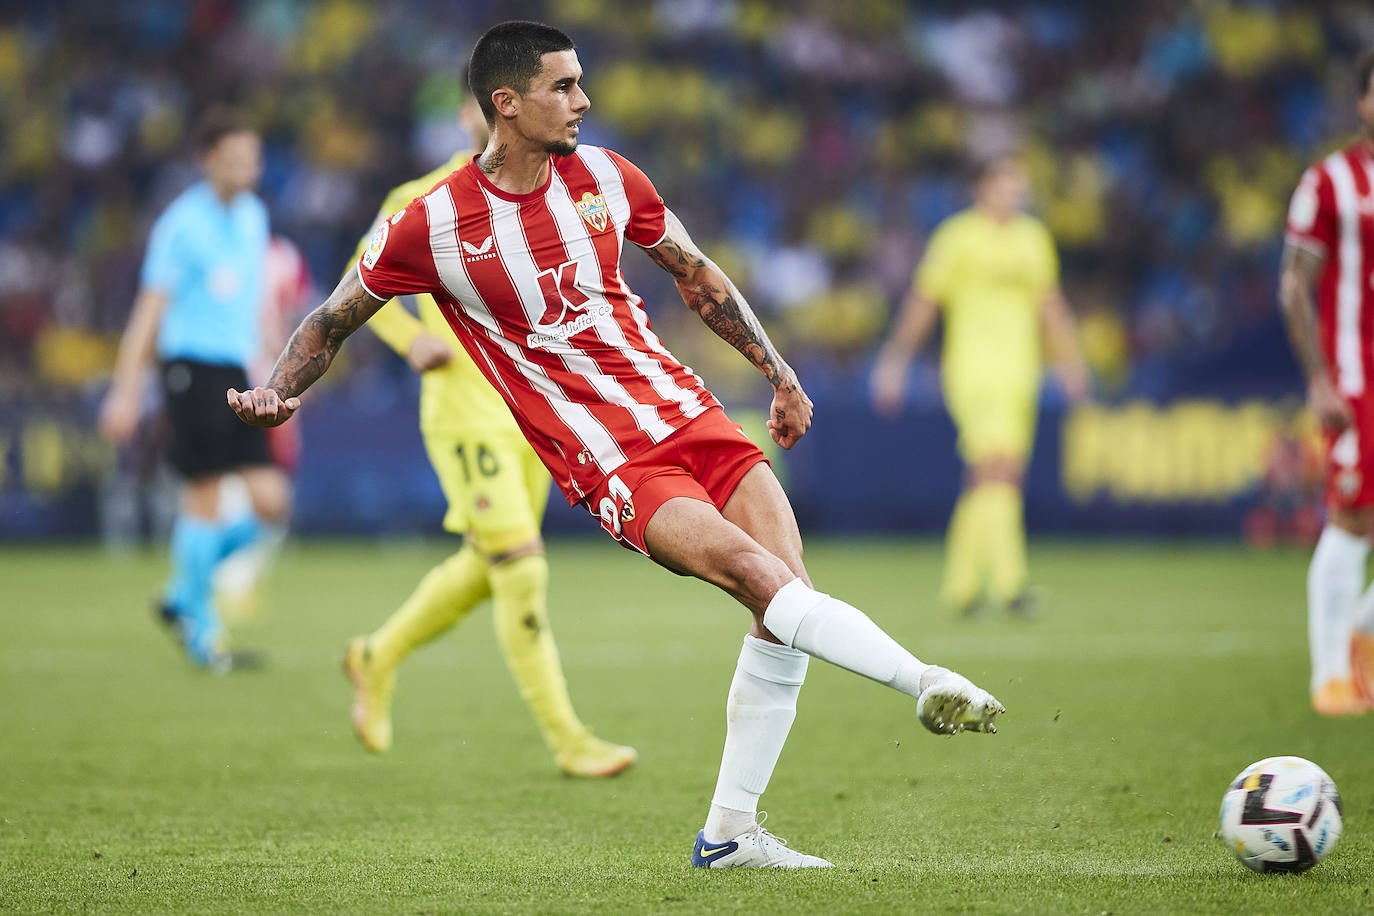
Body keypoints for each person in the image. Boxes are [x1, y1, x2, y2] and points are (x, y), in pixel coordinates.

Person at [228, 20, 1003, 868]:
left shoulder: (605, 174)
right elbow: (333, 317)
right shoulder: (433, 224)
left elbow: (695, 272)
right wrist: (280, 391)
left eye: (581, 82)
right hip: (610, 458)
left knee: (785, 603)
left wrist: (778, 372)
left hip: (689, 412)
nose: (583, 101)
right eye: (563, 86)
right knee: (755, 576)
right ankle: (923, 680)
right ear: (507, 103)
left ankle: (730, 835)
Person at [341, 88, 636, 776]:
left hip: (534, 412)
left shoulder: (554, 192)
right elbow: (360, 280)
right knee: (522, 566)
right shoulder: (426, 197)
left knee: (491, 564)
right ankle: (570, 741)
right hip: (466, 411)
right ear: (470, 113)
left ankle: (373, 657)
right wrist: (409, 341)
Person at [101, 105, 289, 672]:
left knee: (271, 505)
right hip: (188, 370)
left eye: (251, 159)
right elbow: (149, 311)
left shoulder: (254, 216)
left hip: (237, 373)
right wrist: (126, 391)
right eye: (233, 159)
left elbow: (256, 304)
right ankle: (205, 636)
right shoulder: (180, 225)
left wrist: (282, 371)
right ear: (205, 161)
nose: (245, 169)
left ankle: (183, 592)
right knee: (204, 498)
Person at [870, 156, 1089, 617]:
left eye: (1019, 187)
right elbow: (923, 303)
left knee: (988, 476)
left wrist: (1070, 364)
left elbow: (1050, 307)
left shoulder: (1033, 239)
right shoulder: (957, 238)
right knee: (1001, 468)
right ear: (983, 189)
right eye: (1005, 186)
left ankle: (962, 586)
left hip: (1020, 373)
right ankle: (1011, 584)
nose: (1013, 195)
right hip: (972, 371)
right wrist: (895, 361)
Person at [1278, 50, 1374, 717]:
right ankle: (1332, 675)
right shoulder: (1331, 181)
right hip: (1355, 374)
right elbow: (1294, 284)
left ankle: (1362, 638)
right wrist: (1317, 377)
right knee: (1351, 514)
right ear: (1364, 103)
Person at [215, 234, 313, 622]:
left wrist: (301, 368)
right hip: (230, 378)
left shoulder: (285, 256)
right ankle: (230, 582)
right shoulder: (221, 248)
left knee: (274, 491)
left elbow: (305, 313)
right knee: (237, 480)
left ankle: (226, 575)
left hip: (276, 377)